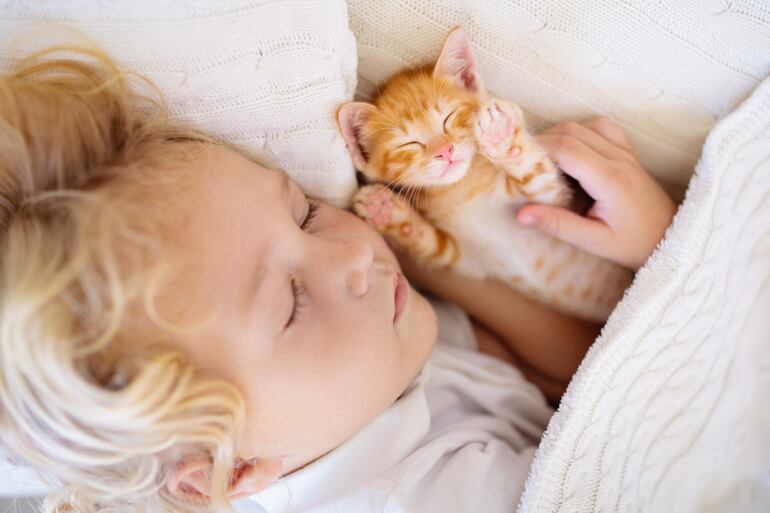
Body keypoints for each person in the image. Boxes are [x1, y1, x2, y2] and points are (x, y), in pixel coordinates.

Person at [0, 48, 676, 513]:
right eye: (290, 303)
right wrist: (674, 259)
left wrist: (642, 250)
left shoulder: (371, 370)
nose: (353, 253)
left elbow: (559, 369)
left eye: (307, 212)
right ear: (229, 470)